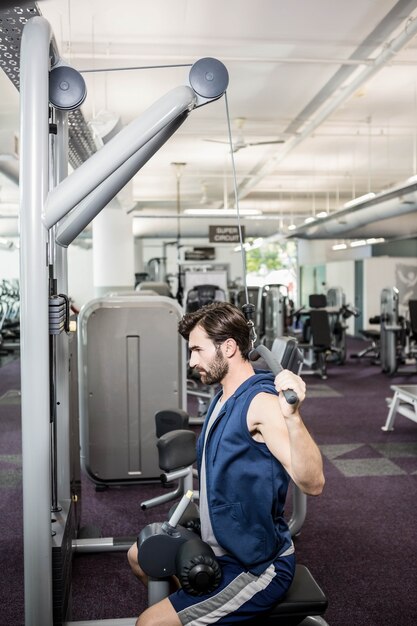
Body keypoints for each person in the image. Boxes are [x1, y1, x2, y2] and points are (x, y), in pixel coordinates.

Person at [128, 301, 325, 626]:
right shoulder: (223, 395)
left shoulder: (261, 405)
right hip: (221, 543)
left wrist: (293, 418)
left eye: (197, 351)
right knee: (139, 556)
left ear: (229, 347)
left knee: (148, 624)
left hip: (257, 565)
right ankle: (201, 613)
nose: (192, 362)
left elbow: (314, 482)